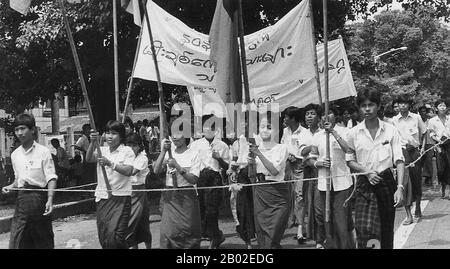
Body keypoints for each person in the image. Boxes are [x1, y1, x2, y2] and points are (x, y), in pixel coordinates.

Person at [346, 88, 405, 249]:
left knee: (385, 231)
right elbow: (350, 160)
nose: (367, 109)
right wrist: (366, 172)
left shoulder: (390, 130)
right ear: (359, 108)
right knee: (366, 230)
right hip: (365, 185)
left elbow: (399, 160)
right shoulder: (353, 133)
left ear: (378, 106)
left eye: (371, 104)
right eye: (363, 105)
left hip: (386, 183)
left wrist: (399, 188)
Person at [2, 113, 57, 249]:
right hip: (22, 201)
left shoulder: (43, 151)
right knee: (18, 239)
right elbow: (18, 180)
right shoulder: (15, 155)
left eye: (23, 129)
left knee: (42, 240)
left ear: (32, 130)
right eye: (17, 130)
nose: (19, 133)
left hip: (39, 200)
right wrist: (10, 186)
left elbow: (51, 177)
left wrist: (50, 200)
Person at [306, 107, 355, 249]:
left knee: (341, 219)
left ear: (335, 116)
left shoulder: (345, 132)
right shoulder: (318, 136)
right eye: (323, 115)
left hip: (342, 182)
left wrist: (333, 132)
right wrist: (318, 163)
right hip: (324, 183)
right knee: (326, 218)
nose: (326, 117)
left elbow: (349, 150)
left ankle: (347, 245)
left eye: (329, 113)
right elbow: (311, 159)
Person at [86, 120, 135, 249]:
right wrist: (92, 142)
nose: (110, 136)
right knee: (104, 238)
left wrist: (110, 163)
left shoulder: (127, 151)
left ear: (121, 136)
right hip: (103, 198)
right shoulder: (102, 150)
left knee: (116, 238)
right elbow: (89, 158)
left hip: (121, 198)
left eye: (114, 133)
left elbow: (129, 171)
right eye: (107, 133)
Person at [153, 134, 202, 249]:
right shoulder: (169, 153)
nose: (175, 138)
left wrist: (178, 167)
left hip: (187, 197)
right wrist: (163, 152)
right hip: (170, 196)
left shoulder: (193, 154)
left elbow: (194, 179)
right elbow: (156, 170)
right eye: (173, 135)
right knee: (167, 232)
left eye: (179, 134)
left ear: (185, 136)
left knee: (188, 231)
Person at [190, 114, 229, 249]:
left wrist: (219, 159)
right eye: (206, 126)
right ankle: (214, 235)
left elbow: (226, 167)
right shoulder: (195, 145)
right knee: (201, 209)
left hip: (215, 179)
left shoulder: (222, 145)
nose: (209, 129)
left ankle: (214, 238)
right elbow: (192, 164)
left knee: (212, 210)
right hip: (200, 179)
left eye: (212, 126)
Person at [249, 115, 289, 249]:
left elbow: (274, 171)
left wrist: (259, 154)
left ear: (276, 130)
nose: (265, 130)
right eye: (262, 127)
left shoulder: (281, 148)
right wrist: (251, 162)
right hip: (260, 192)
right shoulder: (255, 148)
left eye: (269, 127)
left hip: (278, 193)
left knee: (273, 233)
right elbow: (251, 175)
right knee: (261, 233)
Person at [392, 96, 426, 224]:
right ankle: (408, 214)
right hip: (401, 153)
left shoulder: (416, 118)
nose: (402, 106)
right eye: (400, 103)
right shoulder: (394, 120)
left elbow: (424, 132)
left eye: (405, 103)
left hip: (415, 152)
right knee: (404, 183)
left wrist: (422, 147)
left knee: (416, 180)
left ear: (408, 105)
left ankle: (417, 207)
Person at [296, 103, 325, 248]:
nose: (309, 117)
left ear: (319, 116)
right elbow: (302, 152)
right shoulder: (303, 134)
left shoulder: (324, 132)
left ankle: (323, 239)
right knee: (310, 205)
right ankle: (317, 238)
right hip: (308, 170)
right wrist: (313, 147)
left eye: (312, 114)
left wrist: (312, 150)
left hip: (323, 170)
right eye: (307, 114)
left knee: (320, 206)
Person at [227, 123, 257, 249]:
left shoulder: (256, 138)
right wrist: (232, 169)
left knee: (256, 207)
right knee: (242, 207)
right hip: (242, 176)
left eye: (245, 126)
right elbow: (235, 159)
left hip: (255, 175)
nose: (243, 129)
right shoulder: (236, 143)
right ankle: (248, 240)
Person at [281, 106, 307, 245]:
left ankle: (300, 230)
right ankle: (289, 222)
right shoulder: (285, 131)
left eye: (286, 117)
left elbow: (306, 152)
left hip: (300, 167)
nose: (284, 119)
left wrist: (296, 157)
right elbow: (282, 147)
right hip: (286, 166)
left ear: (293, 118)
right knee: (287, 195)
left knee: (300, 196)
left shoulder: (304, 132)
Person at [125, 133, 152, 249]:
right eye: (129, 145)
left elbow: (131, 172)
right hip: (127, 191)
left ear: (139, 146)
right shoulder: (126, 157)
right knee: (130, 224)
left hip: (139, 192)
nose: (132, 148)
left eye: (134, 145)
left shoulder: (142, 158)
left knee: (142, 222)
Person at [427, 100, 450, 199]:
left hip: (449, 144)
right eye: (440, 106)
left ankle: (448, 190)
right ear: (436, 108)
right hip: (439, 145)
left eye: (444, 106)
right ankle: (443, 186)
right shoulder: (432, 121)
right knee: (441, 168)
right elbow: (431, 133)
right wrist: (438, 140)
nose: (442, 107)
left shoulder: (449, 118)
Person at [419, 105, 435, 186]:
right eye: (421, 111)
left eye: (424, 111)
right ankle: (422, 177)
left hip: (430, 142)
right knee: (420, 161)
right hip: (420, 143)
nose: (423, 113)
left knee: (428, 160)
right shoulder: (418, 121)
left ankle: (429, 178)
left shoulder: (431, 121)